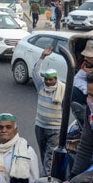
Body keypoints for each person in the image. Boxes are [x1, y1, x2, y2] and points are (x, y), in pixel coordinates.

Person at [32, 47, 66, 176]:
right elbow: (35, 72)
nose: (48, 82)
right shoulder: (41, 86)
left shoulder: (62, 90)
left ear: (56, 79)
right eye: (46, 79)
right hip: (40, 126)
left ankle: (46, 178)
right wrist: (42, 57)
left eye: (51, 79)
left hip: (55, 129)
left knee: (49, 156)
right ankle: (46, 174)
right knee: (43, 153)